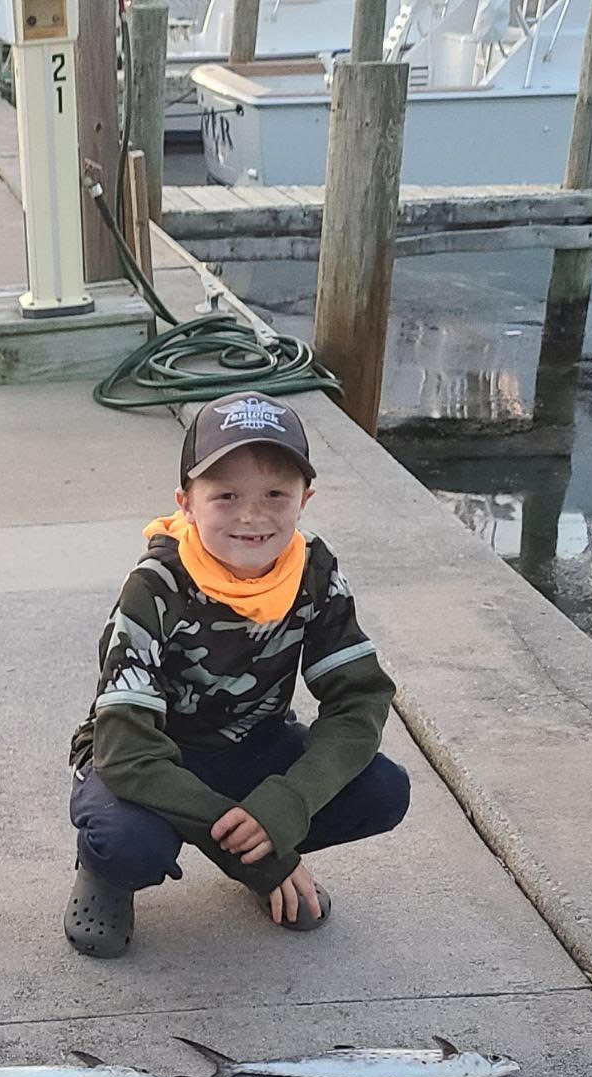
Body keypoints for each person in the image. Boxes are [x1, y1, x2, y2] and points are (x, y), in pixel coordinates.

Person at [64, 391, 409, 957]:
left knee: (383, 790)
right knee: (127, 842)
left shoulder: (314, 571)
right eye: (226, 495)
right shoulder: (153, 586)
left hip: (252, 747)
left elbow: (358, 703)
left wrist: (288, 803)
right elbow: (125, 750)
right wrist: (264, 859)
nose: (252, 515)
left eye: (276, 493)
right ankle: (109, 873)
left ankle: (254, 833)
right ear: (187, 502)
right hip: (150, 758)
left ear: (306, 499)